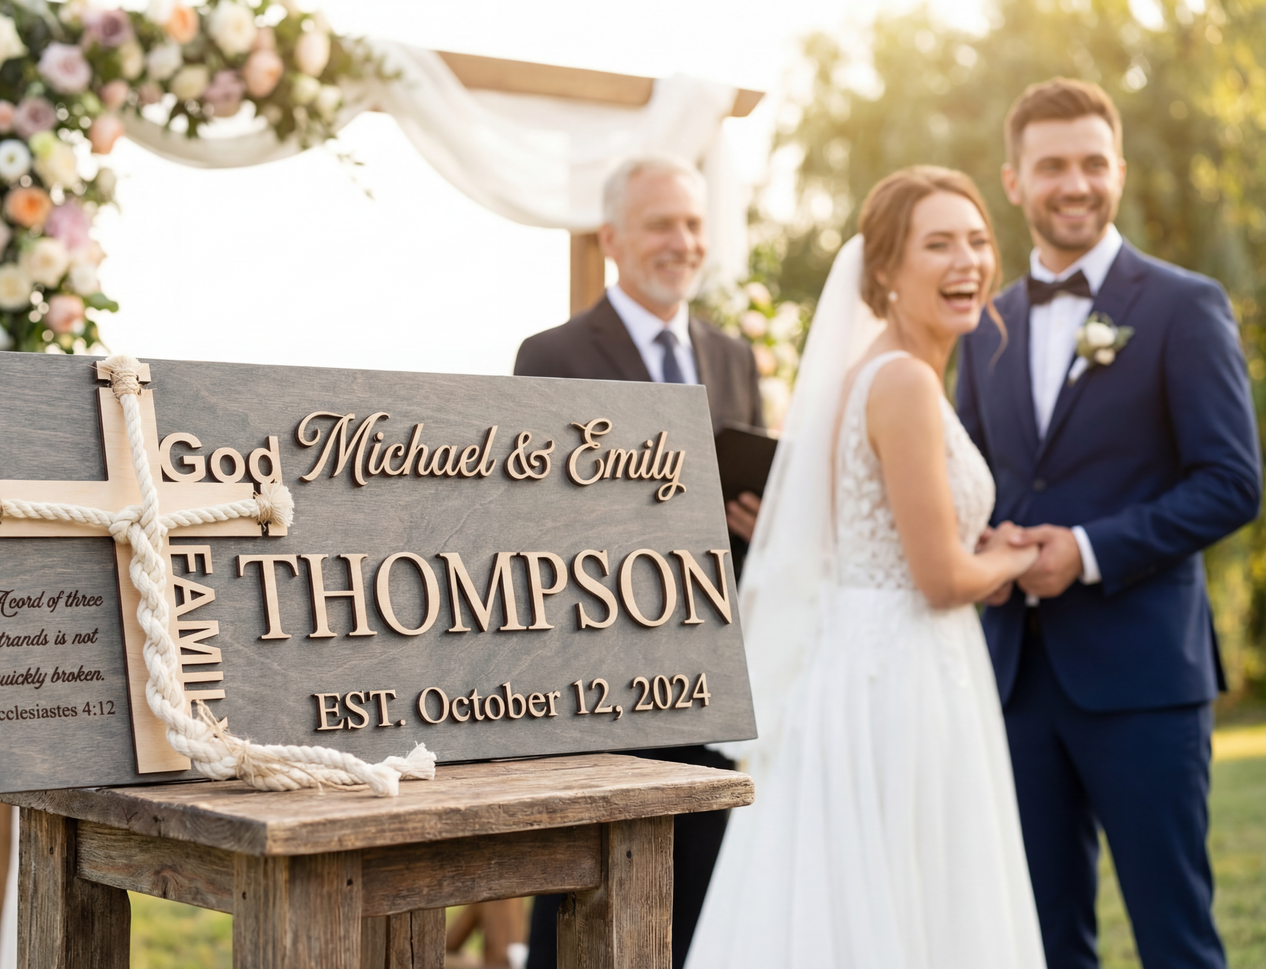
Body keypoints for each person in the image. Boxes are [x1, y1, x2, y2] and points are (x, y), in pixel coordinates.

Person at [687, 166, 1048, 968]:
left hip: (870, 660)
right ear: (883, 269)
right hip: (901, 675)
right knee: (907, 888)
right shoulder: (905, 383)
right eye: (938, 244)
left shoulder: (879, 373)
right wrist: (1012, 556)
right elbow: (941, 579)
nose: (967, 261)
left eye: (978, 240)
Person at [956, 78, 1261, 969]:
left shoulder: (1182, 303)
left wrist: (1085, 552)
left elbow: (1230, 483)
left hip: (1143, 680)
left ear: (1117, 171)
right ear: (1013, 181)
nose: (1074, 183)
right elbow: (968, 478)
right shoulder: (982, 323)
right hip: (1014, 677)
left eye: (1093, 162)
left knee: (1175, 938)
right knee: (1042, 941)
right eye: (1051, 166)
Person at [513, 153, 762, 969]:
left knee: (700, 892)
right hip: (598, 681)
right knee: (580, 895)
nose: (682, 241)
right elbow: (531, 520)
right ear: (613, 237)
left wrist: (754, 518)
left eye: (693, 224)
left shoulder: (731, 356)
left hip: (709, 673)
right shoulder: (549, 354)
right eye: (663, 223)